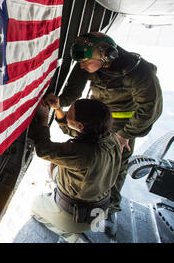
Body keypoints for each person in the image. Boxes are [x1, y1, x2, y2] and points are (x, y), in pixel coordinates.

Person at [44, 32, 163, 237]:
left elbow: (150, 111)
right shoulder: (89, 62)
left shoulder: (141, 73)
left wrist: (125, 135)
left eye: (86, 63)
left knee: (115, 169)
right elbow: (73, 91)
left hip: (121, 129)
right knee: (80, 162)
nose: (81, 67)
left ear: (106, 55)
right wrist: (58, 102)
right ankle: (69, 197)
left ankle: (109, 210)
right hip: (91, 121)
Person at [29, 99, 121, 243]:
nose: (66, 114)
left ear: (80, 125)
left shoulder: (83, 154)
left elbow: (43, 150)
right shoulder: (111, 137)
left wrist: (44, 119)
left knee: (34, 207)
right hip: (101, 209)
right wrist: (58, 109)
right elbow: (72, 129)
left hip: (75, 216)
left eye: (69, 113)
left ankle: (70, 235)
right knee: (54, 168)